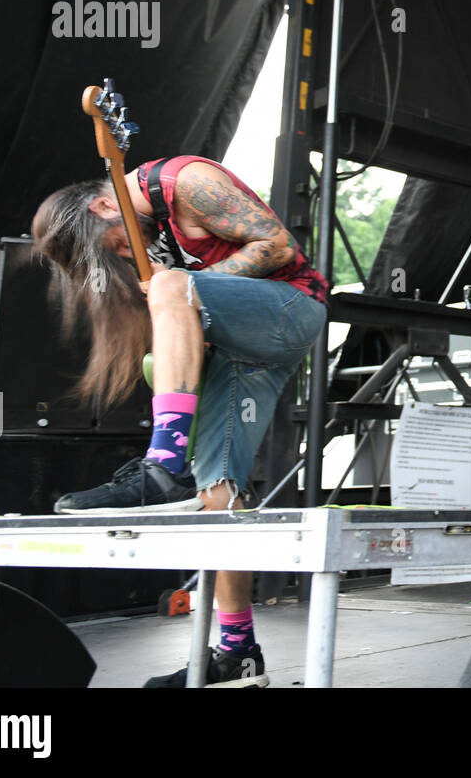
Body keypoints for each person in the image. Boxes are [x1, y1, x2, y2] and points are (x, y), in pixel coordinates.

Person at [32, 154, 328, 687]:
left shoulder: (183, 183)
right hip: (241, 348)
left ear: (105, 205)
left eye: (117, 245)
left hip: (290, 308)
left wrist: (184, 290)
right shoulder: (144, 233)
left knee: (171, 285)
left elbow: (279, 246)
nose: (127, 254)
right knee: (219, 496)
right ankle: (238, 653)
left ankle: (164, 464)